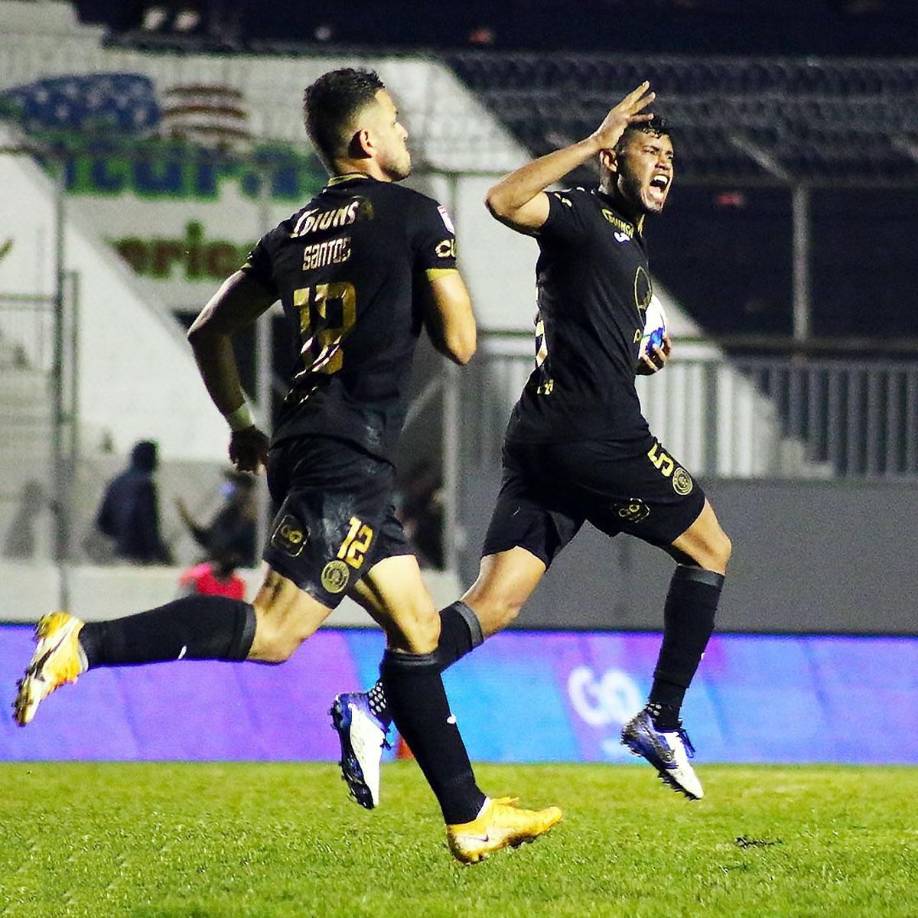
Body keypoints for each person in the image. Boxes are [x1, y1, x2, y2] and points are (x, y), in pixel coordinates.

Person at [12, 67, 560, 865]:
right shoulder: (415, 214)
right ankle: (83, 642)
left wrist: (242, 423)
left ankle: (470, 815)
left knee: (414, 627)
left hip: (310, 440)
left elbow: (208, 330)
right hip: (349, 452)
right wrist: (439, 260)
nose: (406, 135)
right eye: (398, 123)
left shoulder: (294, 231)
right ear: (367, 139)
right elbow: (463, 344)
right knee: (272, 632)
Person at [331, 82, 732, 806]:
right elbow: (503, 201)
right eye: (650, 149)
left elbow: (594, 312)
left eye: (671, 154)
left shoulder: (625, 239)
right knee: (711, 550)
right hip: (595, 435)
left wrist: (633, 341)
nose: (665, 161)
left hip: (544, 438)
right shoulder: (582, 212)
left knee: (495, 602)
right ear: (614, 159)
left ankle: (375, 706)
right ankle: (661, 718)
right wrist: (590, 141)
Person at [93, 440, 172, 564]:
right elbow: (149, 525)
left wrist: (121, 535)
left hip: (120, 553)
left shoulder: (116, 482)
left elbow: (102, 523)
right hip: (141, 556)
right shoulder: (146, 485)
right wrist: (162, 554)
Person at [176, 469, 257, 568]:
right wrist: (187, 519)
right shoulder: (227, 512)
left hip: (238, 568)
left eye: (234, 485)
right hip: (217, 564)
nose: (229, 488)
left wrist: (246, 521)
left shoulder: (254, 517)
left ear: (245, 489)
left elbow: (238, 546)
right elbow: (208, 540)